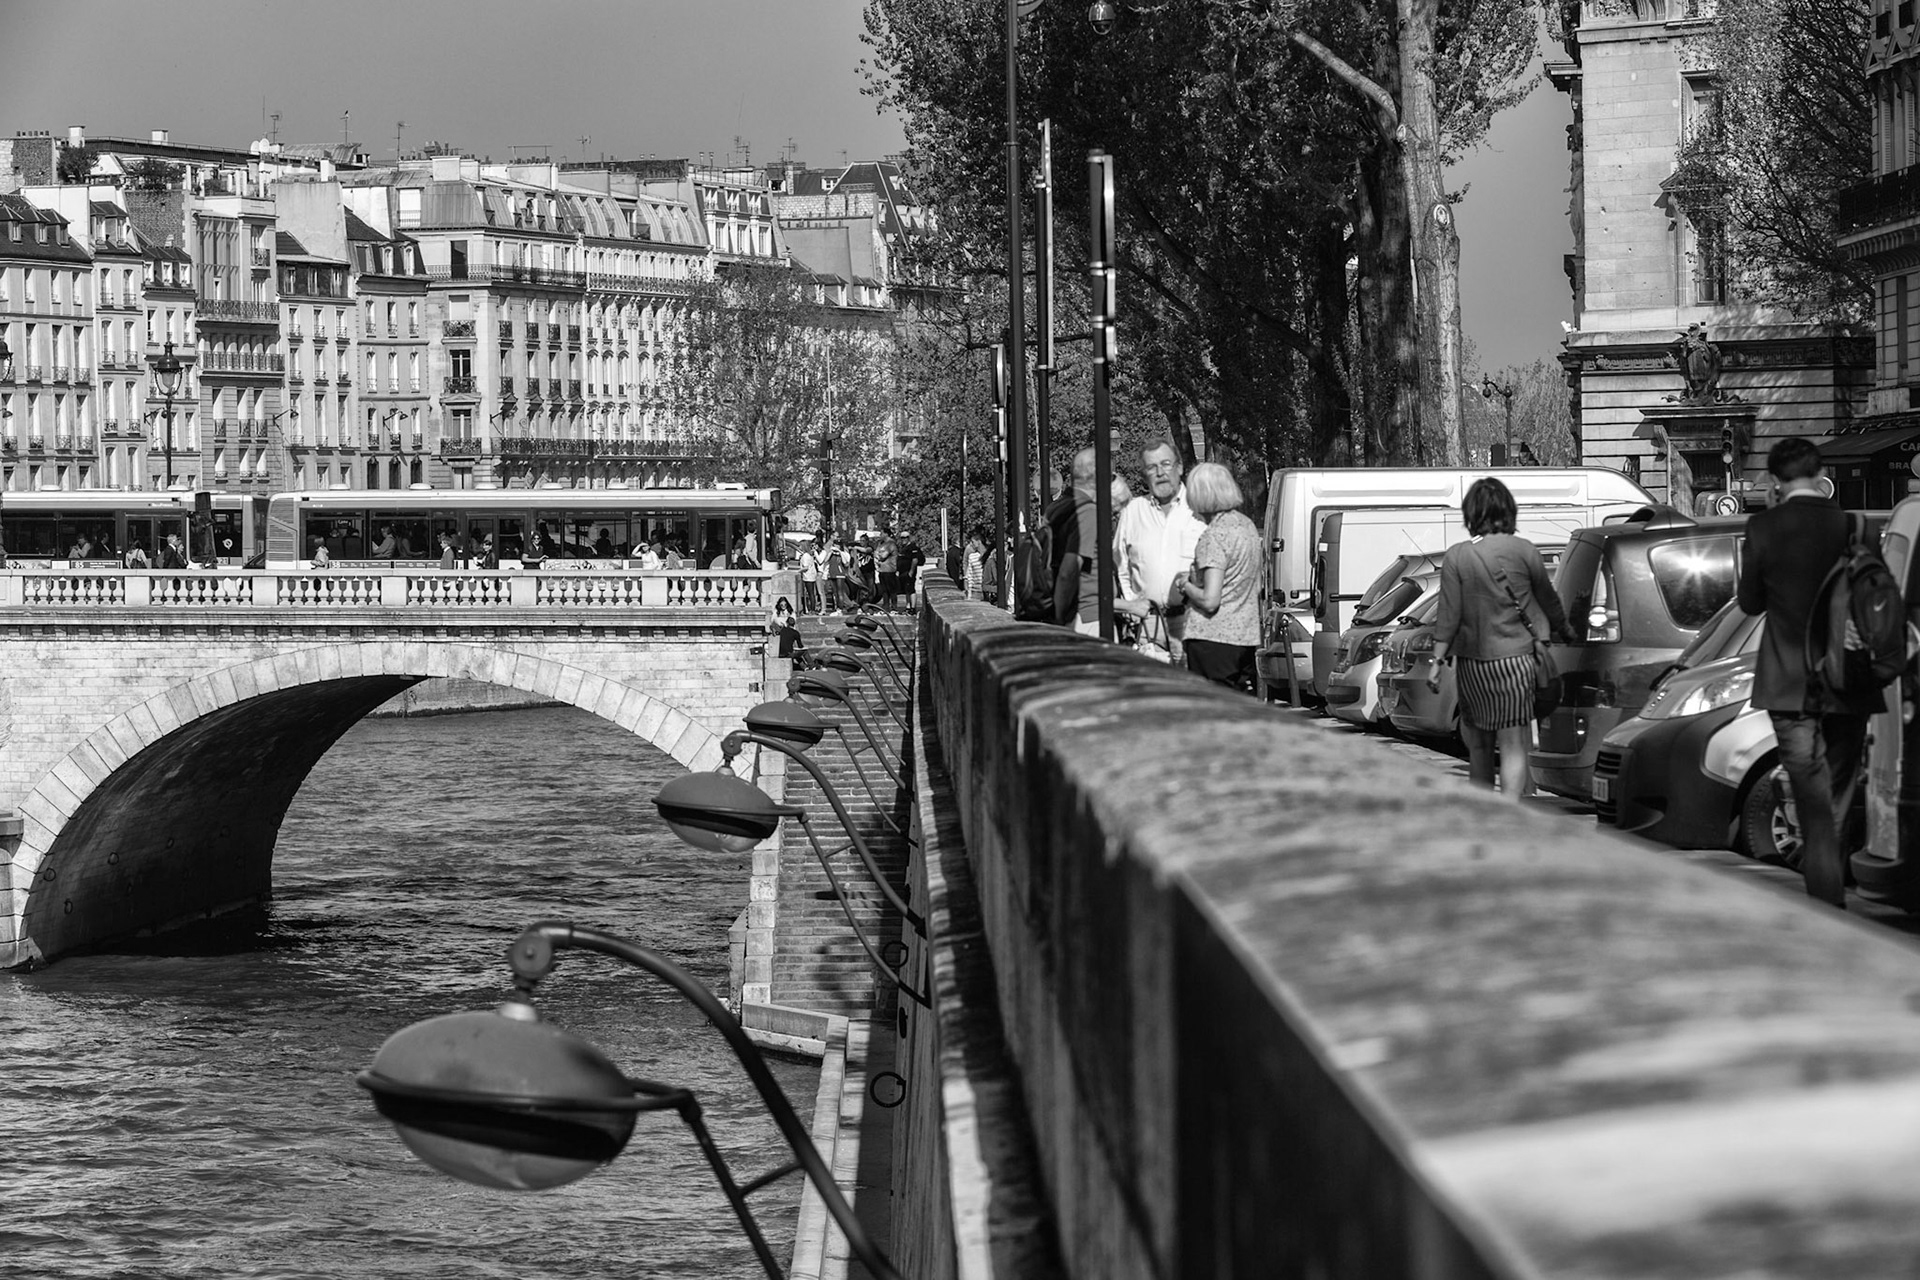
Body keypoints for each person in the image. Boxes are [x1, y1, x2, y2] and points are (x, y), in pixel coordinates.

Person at [1737, 437, 1883, 908]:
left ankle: (1824, 898)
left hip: (1789, 680)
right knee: (1838, 791)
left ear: (1775, 480)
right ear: (1821, 475)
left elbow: (1750, 603)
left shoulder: (1763, 527)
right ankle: (1828, 891)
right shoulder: (1856, 527)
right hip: (1849, 675)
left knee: (1810, 791)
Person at [1427, 477, 1574, 802]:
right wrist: (1565, 629)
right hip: (1517, 662)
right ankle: (1510, 810)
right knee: (1512, 744)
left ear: (1471, 513)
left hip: (1473, 665)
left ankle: (1485, 813)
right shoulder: (1525, 551)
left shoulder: (1457, 556)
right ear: (1508, 510)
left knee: (1479, 745)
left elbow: (1448, 615)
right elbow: (1548, 600)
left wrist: (1436, 662)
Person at [1170, 462, 1262, 690]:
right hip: (1245, 636)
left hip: (1211, 639)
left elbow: (1210, 600)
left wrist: (1184, 585)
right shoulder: (1247, 526)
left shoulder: (1214, 536)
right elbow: (1255, 583)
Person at [1115, 440, 1207, 663]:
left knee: (1189, 682)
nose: (1160, 473)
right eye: (1151, 467)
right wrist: (1132, 603)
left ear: (1179, 467)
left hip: (1192, 621)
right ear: (1144, 475)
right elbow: (1120, 565)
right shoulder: (1133, 511)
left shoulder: (1200, 508)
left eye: (1166, 464)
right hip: (1148, 625)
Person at [1048, 447, 1102, 635]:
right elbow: (1069, 570)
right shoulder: (1087, 512)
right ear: (1096, 475)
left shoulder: (1056, 508)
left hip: (1069, 614)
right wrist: (1060, 615)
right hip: (1087, 616)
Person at [874, 527, 899, 612]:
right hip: (882, 570)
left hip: (889, 570)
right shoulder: (881, 544)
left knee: (891, 590)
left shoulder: (891, 544)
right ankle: (885, 607)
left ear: (886, 534)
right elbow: (875, 553)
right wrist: (878, 555)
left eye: (881, 533)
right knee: (884, 590)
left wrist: (878, 555)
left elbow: (883, 556)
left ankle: (894, 607)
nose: (880, 535)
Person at [799, 537, 823, 615]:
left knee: (810, 593)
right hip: (812, 575)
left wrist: (799, 571)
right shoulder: (810, 555)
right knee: (812, 593)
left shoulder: (805, 555)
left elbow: (805, 567)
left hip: (808, 576)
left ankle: (811, 609)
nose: (799, 547)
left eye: (800, 546)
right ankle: (812, 608)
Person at [825, 537, 849, 613]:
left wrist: (840, 552)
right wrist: (830, 552)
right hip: (832, 574)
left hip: (840, 574)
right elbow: (825, 560)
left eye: (837, 545)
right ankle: (835, 607)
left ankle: (840, 607)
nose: (836, 546)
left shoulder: (844, 553)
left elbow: (846, 563)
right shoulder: (831, 553)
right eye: (835, 544)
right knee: (834, 592)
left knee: (840, 592)